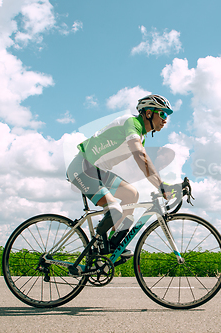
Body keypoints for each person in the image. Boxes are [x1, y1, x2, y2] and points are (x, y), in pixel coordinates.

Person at [66, 94, 173, 257]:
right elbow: (140, 156)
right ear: (149, 113)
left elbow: (143, 165)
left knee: (132, 194)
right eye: (163, 113)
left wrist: (161, 184)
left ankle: (113, 245)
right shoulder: (132, 123)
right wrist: (160, 184)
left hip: (98, 172)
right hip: (82, 167)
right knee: (114, 208)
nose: (165, 119)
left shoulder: (141, 136)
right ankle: (99, 247)